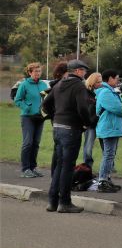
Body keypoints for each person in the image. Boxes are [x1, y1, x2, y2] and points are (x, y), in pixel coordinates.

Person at [42, 59, 94, 213]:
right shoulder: (78, 85)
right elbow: (83, 108)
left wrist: (56, 115)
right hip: (71, 129)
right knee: (67, 167)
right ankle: (64, 202)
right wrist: (87, 123)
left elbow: (45, 104)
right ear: (77, 71)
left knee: (59, 165)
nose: (85, 74)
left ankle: (52, 201)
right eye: (84, 71)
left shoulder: (58, 84)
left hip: (57, 128)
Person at [14, 62, 49, 178]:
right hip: (27, 117)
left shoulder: (44, 85)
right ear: (30, 72)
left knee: (36, 143)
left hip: (40, 117)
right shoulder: (24, 84)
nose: (38, 73)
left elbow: (47, 99)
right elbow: (17, 100)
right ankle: (25, 169)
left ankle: (33, 167)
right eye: (35, 71)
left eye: (39, 71)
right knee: (27, 143)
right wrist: (26, 107)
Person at [95, 69, 122, 189]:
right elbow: (119, 109)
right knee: (108, 155)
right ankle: (102, 180)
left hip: (110, 127)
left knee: (110, 154)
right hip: (109, 127)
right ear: (110, 79)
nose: (117, 80)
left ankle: (106, 179)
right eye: (116, 78)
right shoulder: (106, 92)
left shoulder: (109, 91)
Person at [81, 72, 103, 169]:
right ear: (93, 82)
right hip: (90, 123)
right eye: (98, 82)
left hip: (102, 122)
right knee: (88, 147)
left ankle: (109, 165)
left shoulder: (103, 92)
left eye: (101, 81)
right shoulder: (85, 92)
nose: (100, 84)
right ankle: (87, 165)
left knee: (106, 147)